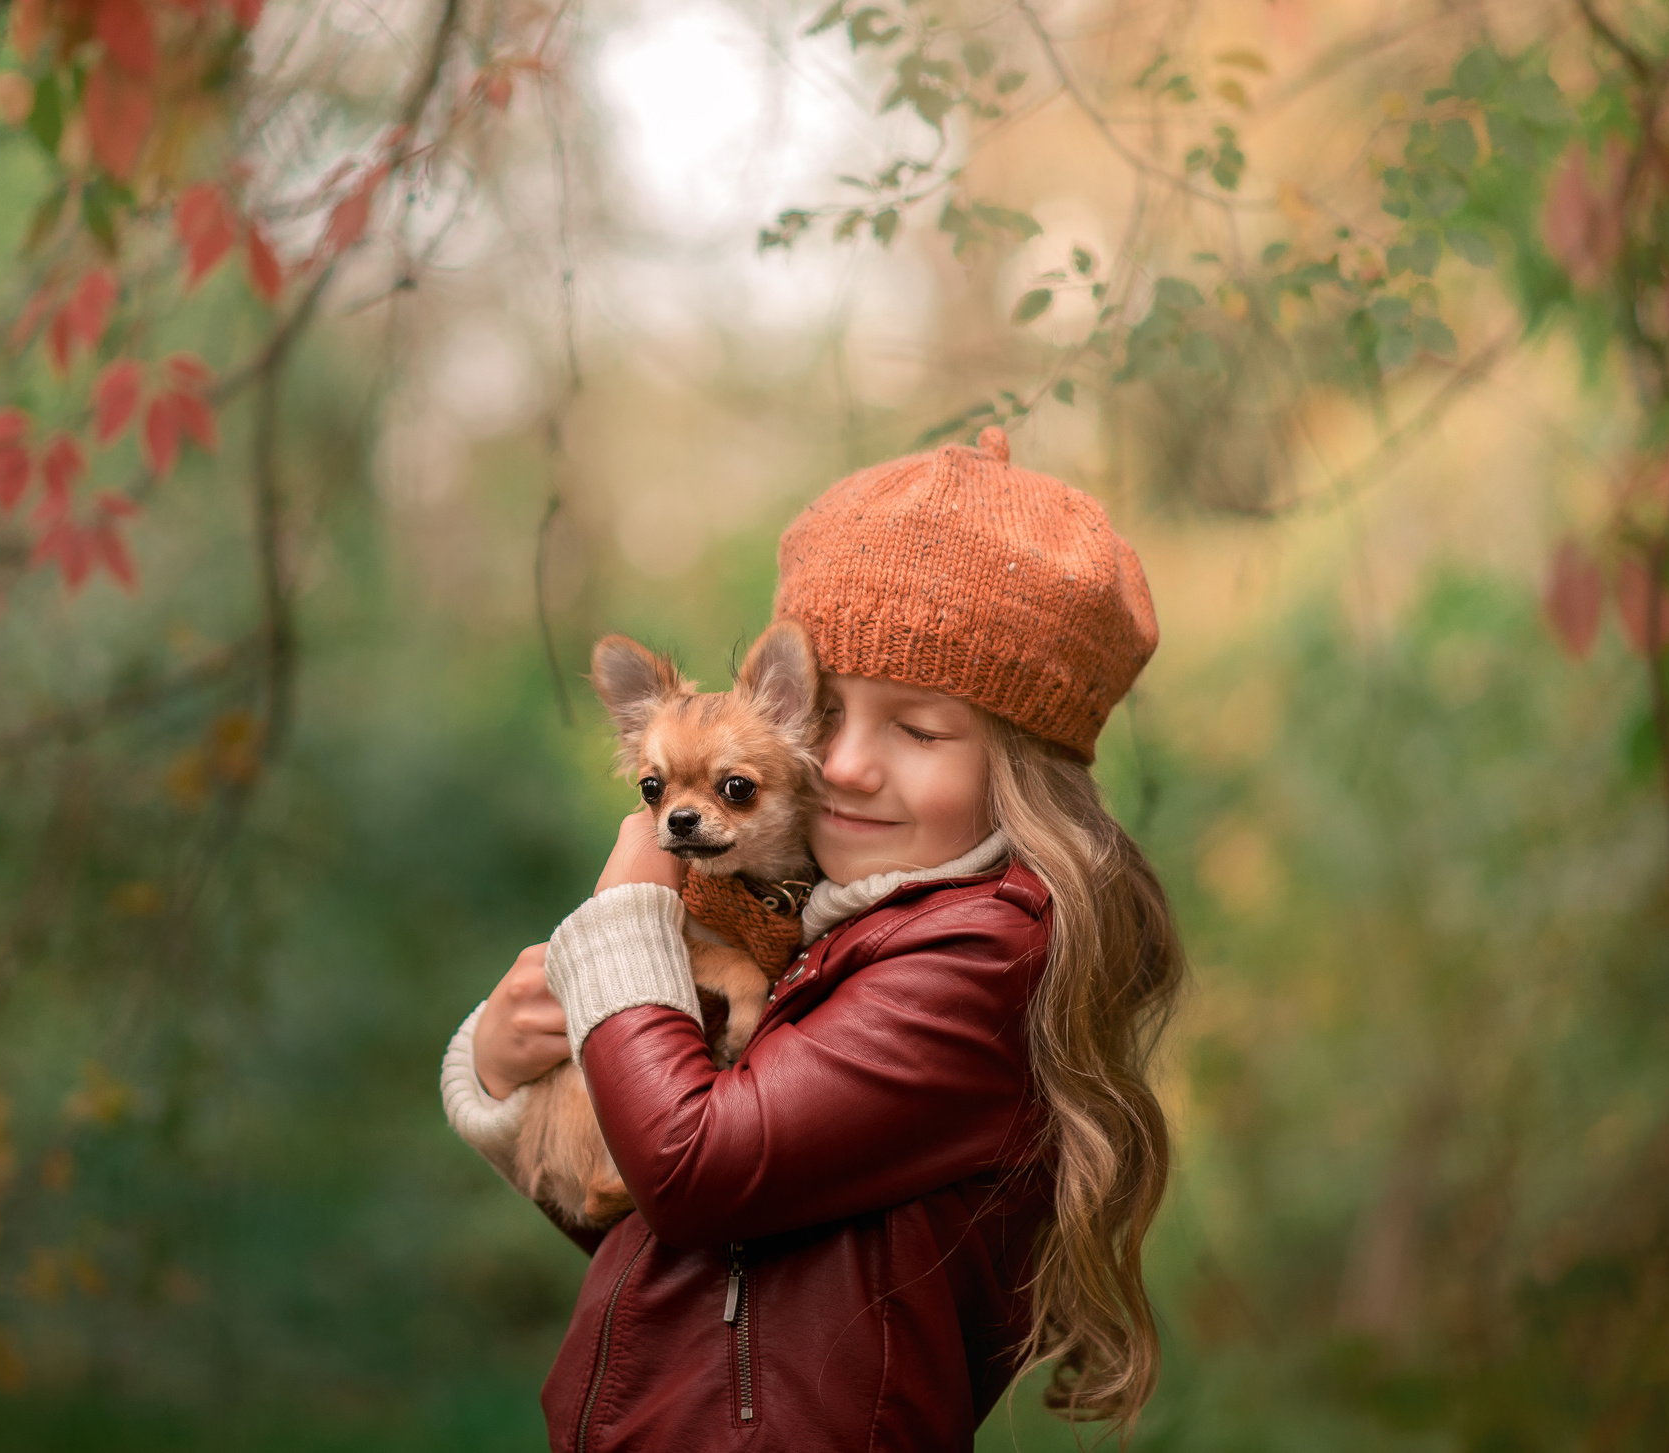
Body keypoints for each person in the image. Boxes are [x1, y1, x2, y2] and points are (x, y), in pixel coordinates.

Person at [438, 426, 1186, 1451]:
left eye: (917, 730)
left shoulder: (978, 957)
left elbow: (692, 1173)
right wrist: (496, 1078)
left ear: (1021, 768)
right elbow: (655, 1233)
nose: (844, 765)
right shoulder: (826, 929)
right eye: (823, 716)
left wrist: (624, 920)